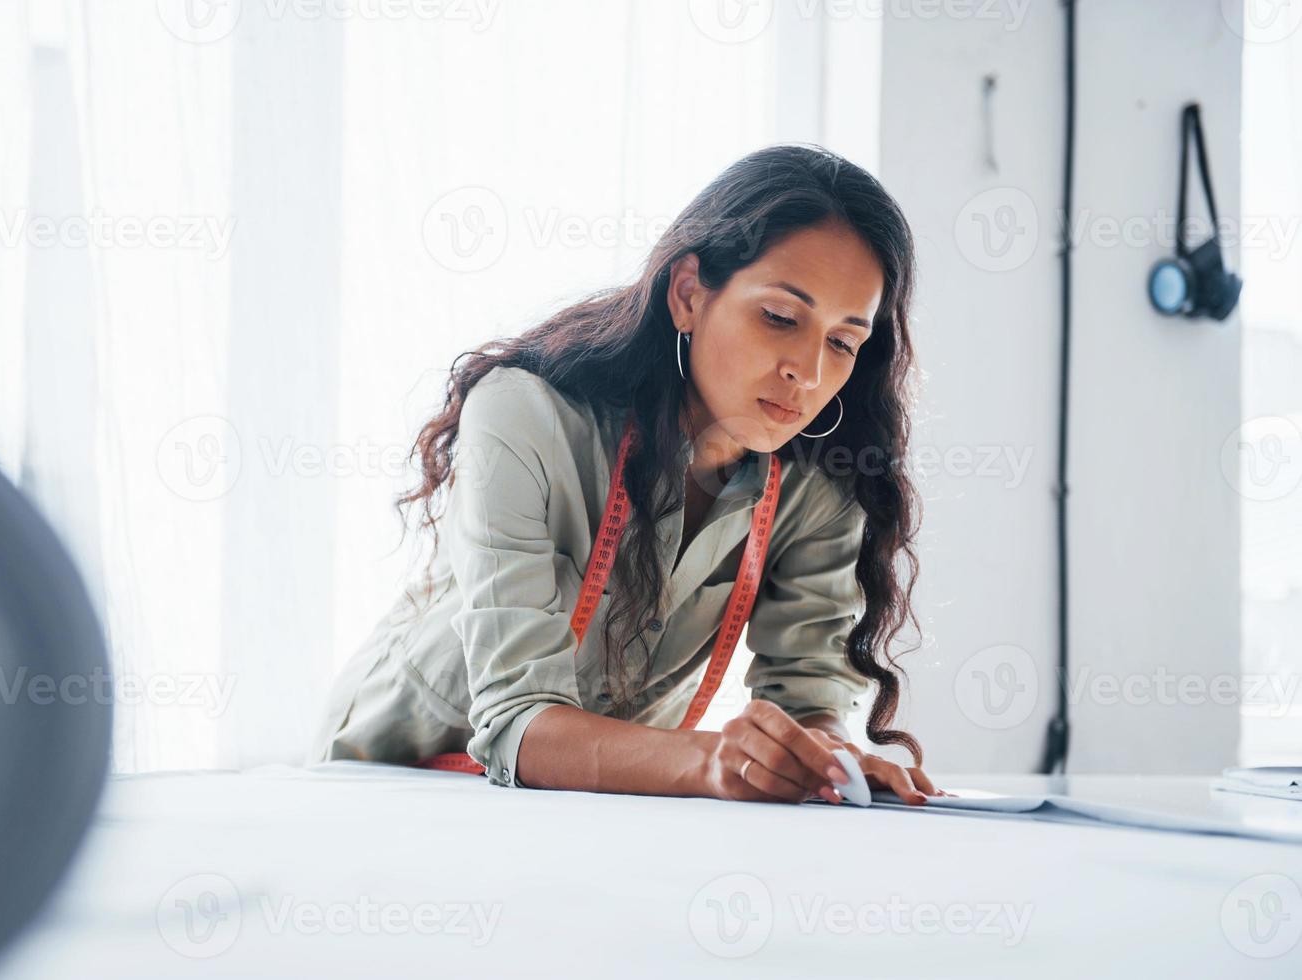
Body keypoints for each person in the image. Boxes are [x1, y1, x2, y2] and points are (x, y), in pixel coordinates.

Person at [309, 143, 944, 805]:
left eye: (843, 341)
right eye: (780, 318)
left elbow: (807, 695)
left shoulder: (821, 476)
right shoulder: (525, 414)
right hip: (389, 781)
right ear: (688, 294)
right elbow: (515, 720)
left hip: (587, 798)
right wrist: (707, 764)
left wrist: (828, 759)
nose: (808, 374)